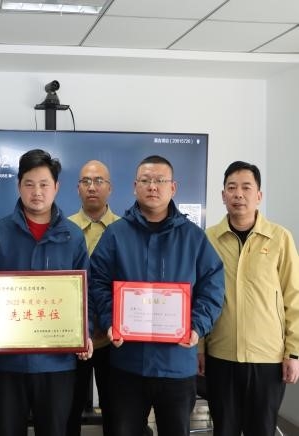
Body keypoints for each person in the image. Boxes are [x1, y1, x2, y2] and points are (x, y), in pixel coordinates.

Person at [90, 155, 224, 436]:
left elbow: (213, 287)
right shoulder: (116, 235)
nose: (153, 186)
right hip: (127, 364)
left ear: (173, 188)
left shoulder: (194, 237)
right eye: (146, 180)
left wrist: (197, 326)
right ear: (135, 186)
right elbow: (97, 282)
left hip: (177, 365)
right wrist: (111, 320)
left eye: (160, 180)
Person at [0, 149, 92, 436]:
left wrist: (85, 332)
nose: (37, 192)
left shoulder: (73, 236)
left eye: (44, 184)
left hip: (57, 363)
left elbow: (85, 292)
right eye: (29, 184)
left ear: (56, 187)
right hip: (6, 361)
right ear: (18, 186)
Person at [200, 161, 299, 436]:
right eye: (232, 188)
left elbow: (294, 297)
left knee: (262, 430)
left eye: (246, 187)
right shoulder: (208, 239)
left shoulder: (280, 238)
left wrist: (293, 352)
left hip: (268, 358)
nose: (239, 194)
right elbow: (200, 297)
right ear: (223, 195)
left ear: (259, 195)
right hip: (221, 355)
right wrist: (199, 348)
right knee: (224, 429)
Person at [66, 160, 120, 436]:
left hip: (114, 337)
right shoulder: (64, 230)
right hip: (72, 335)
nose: (92, 187)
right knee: (69, 408)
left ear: (110, 188)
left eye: (99, 181)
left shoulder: (124, 230)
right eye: (86, 181)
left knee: (116, 410)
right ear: (77, 188)